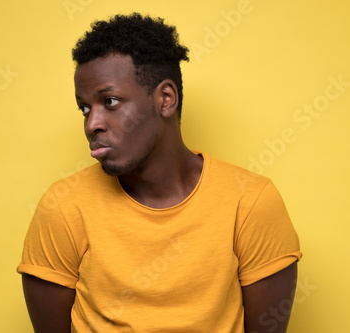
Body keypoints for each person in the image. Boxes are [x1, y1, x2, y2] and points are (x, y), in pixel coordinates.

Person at [17, 13, 301, 333]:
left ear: (165, 99)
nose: (91, 123)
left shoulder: (251, 202)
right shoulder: (64, 206)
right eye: (85, 107)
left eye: (109, 101)